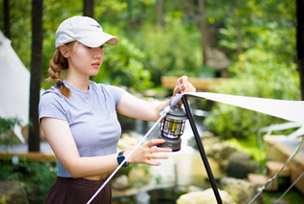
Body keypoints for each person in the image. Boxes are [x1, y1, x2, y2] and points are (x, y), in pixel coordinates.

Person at [39, 16, 196, 204]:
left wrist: (178, 96)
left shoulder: (108, 94)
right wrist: (127, 156)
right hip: (70, 196)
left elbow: (155, 112)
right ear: (65, 50)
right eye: (90, 46)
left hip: (104, 191)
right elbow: (74, 166)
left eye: (102, 47)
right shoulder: (53, 101)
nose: (98, 54)